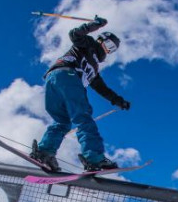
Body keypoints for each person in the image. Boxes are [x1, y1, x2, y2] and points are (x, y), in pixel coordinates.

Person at [30, 15, 132, 172]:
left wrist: (118, 100)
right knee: (83, 117)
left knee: (62, 122)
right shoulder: (88, 44)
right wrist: (94, 25)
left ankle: (45, 152)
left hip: (53, 80)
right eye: (108, 45)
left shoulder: (94, 69)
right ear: (101, 40)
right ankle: (94, 158)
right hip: (68, 75)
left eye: (112, 49)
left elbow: (102, 89)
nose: (107, 50)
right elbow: (75, 34)